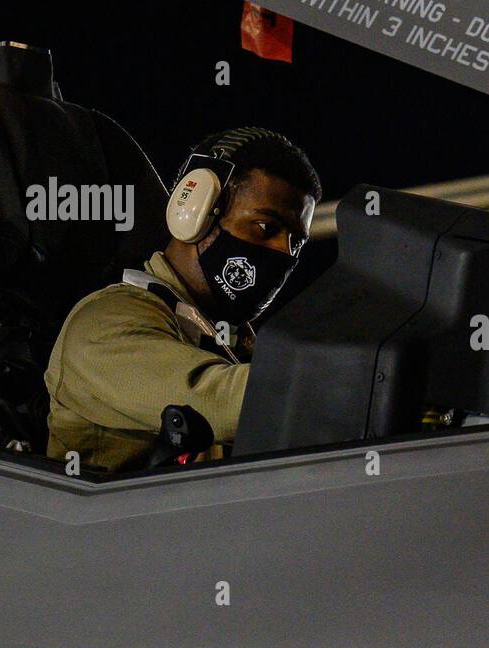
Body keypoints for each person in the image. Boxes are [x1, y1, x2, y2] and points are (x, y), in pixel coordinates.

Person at [44, 127, 320, 471]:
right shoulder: (104, 323)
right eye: (266, 228)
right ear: (194, 212)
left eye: (296, 243)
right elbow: (213, 401)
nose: (284, 253)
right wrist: (342, 380)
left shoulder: (235, 342)